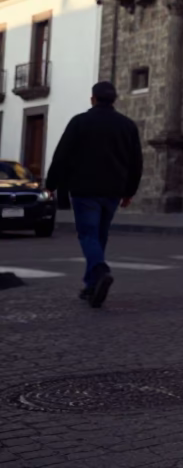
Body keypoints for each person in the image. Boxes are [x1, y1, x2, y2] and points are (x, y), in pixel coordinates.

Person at [45, 81, 143, 309]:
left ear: (93, 99)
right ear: (114, 100)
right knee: (100, 236)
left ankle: (99, 270)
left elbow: (62, 155)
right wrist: (129, 191)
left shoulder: (79, 122)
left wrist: (51, 184)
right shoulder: (127, 126)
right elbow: (136, 162)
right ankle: (91, 286)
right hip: (113, 192)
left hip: (84, 190)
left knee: (88, 235)